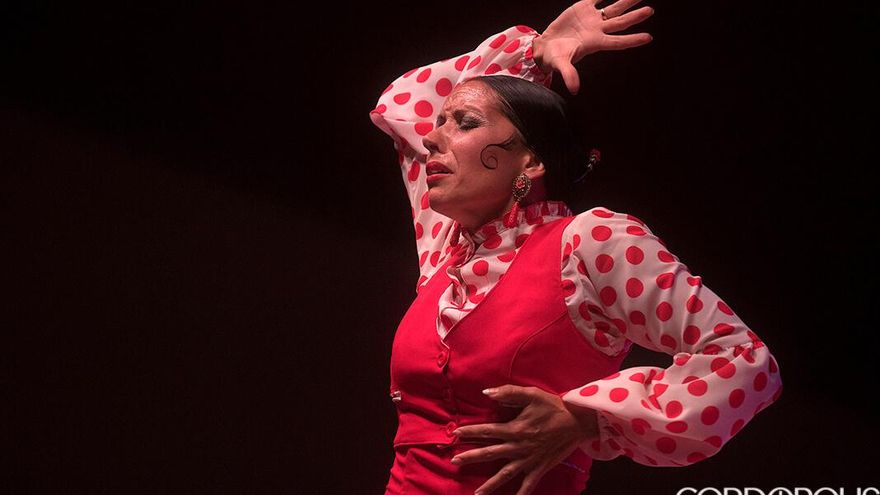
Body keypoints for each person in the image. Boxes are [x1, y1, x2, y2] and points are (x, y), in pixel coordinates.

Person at [369, 1, 783, 494]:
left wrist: (589, 419)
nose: (433, 139)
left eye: (464, 123)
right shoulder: (447, 251)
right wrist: (533, 52)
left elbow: (743, 360)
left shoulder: (589, 242)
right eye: (440, 123)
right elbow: (402, 103)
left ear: (531, 162)